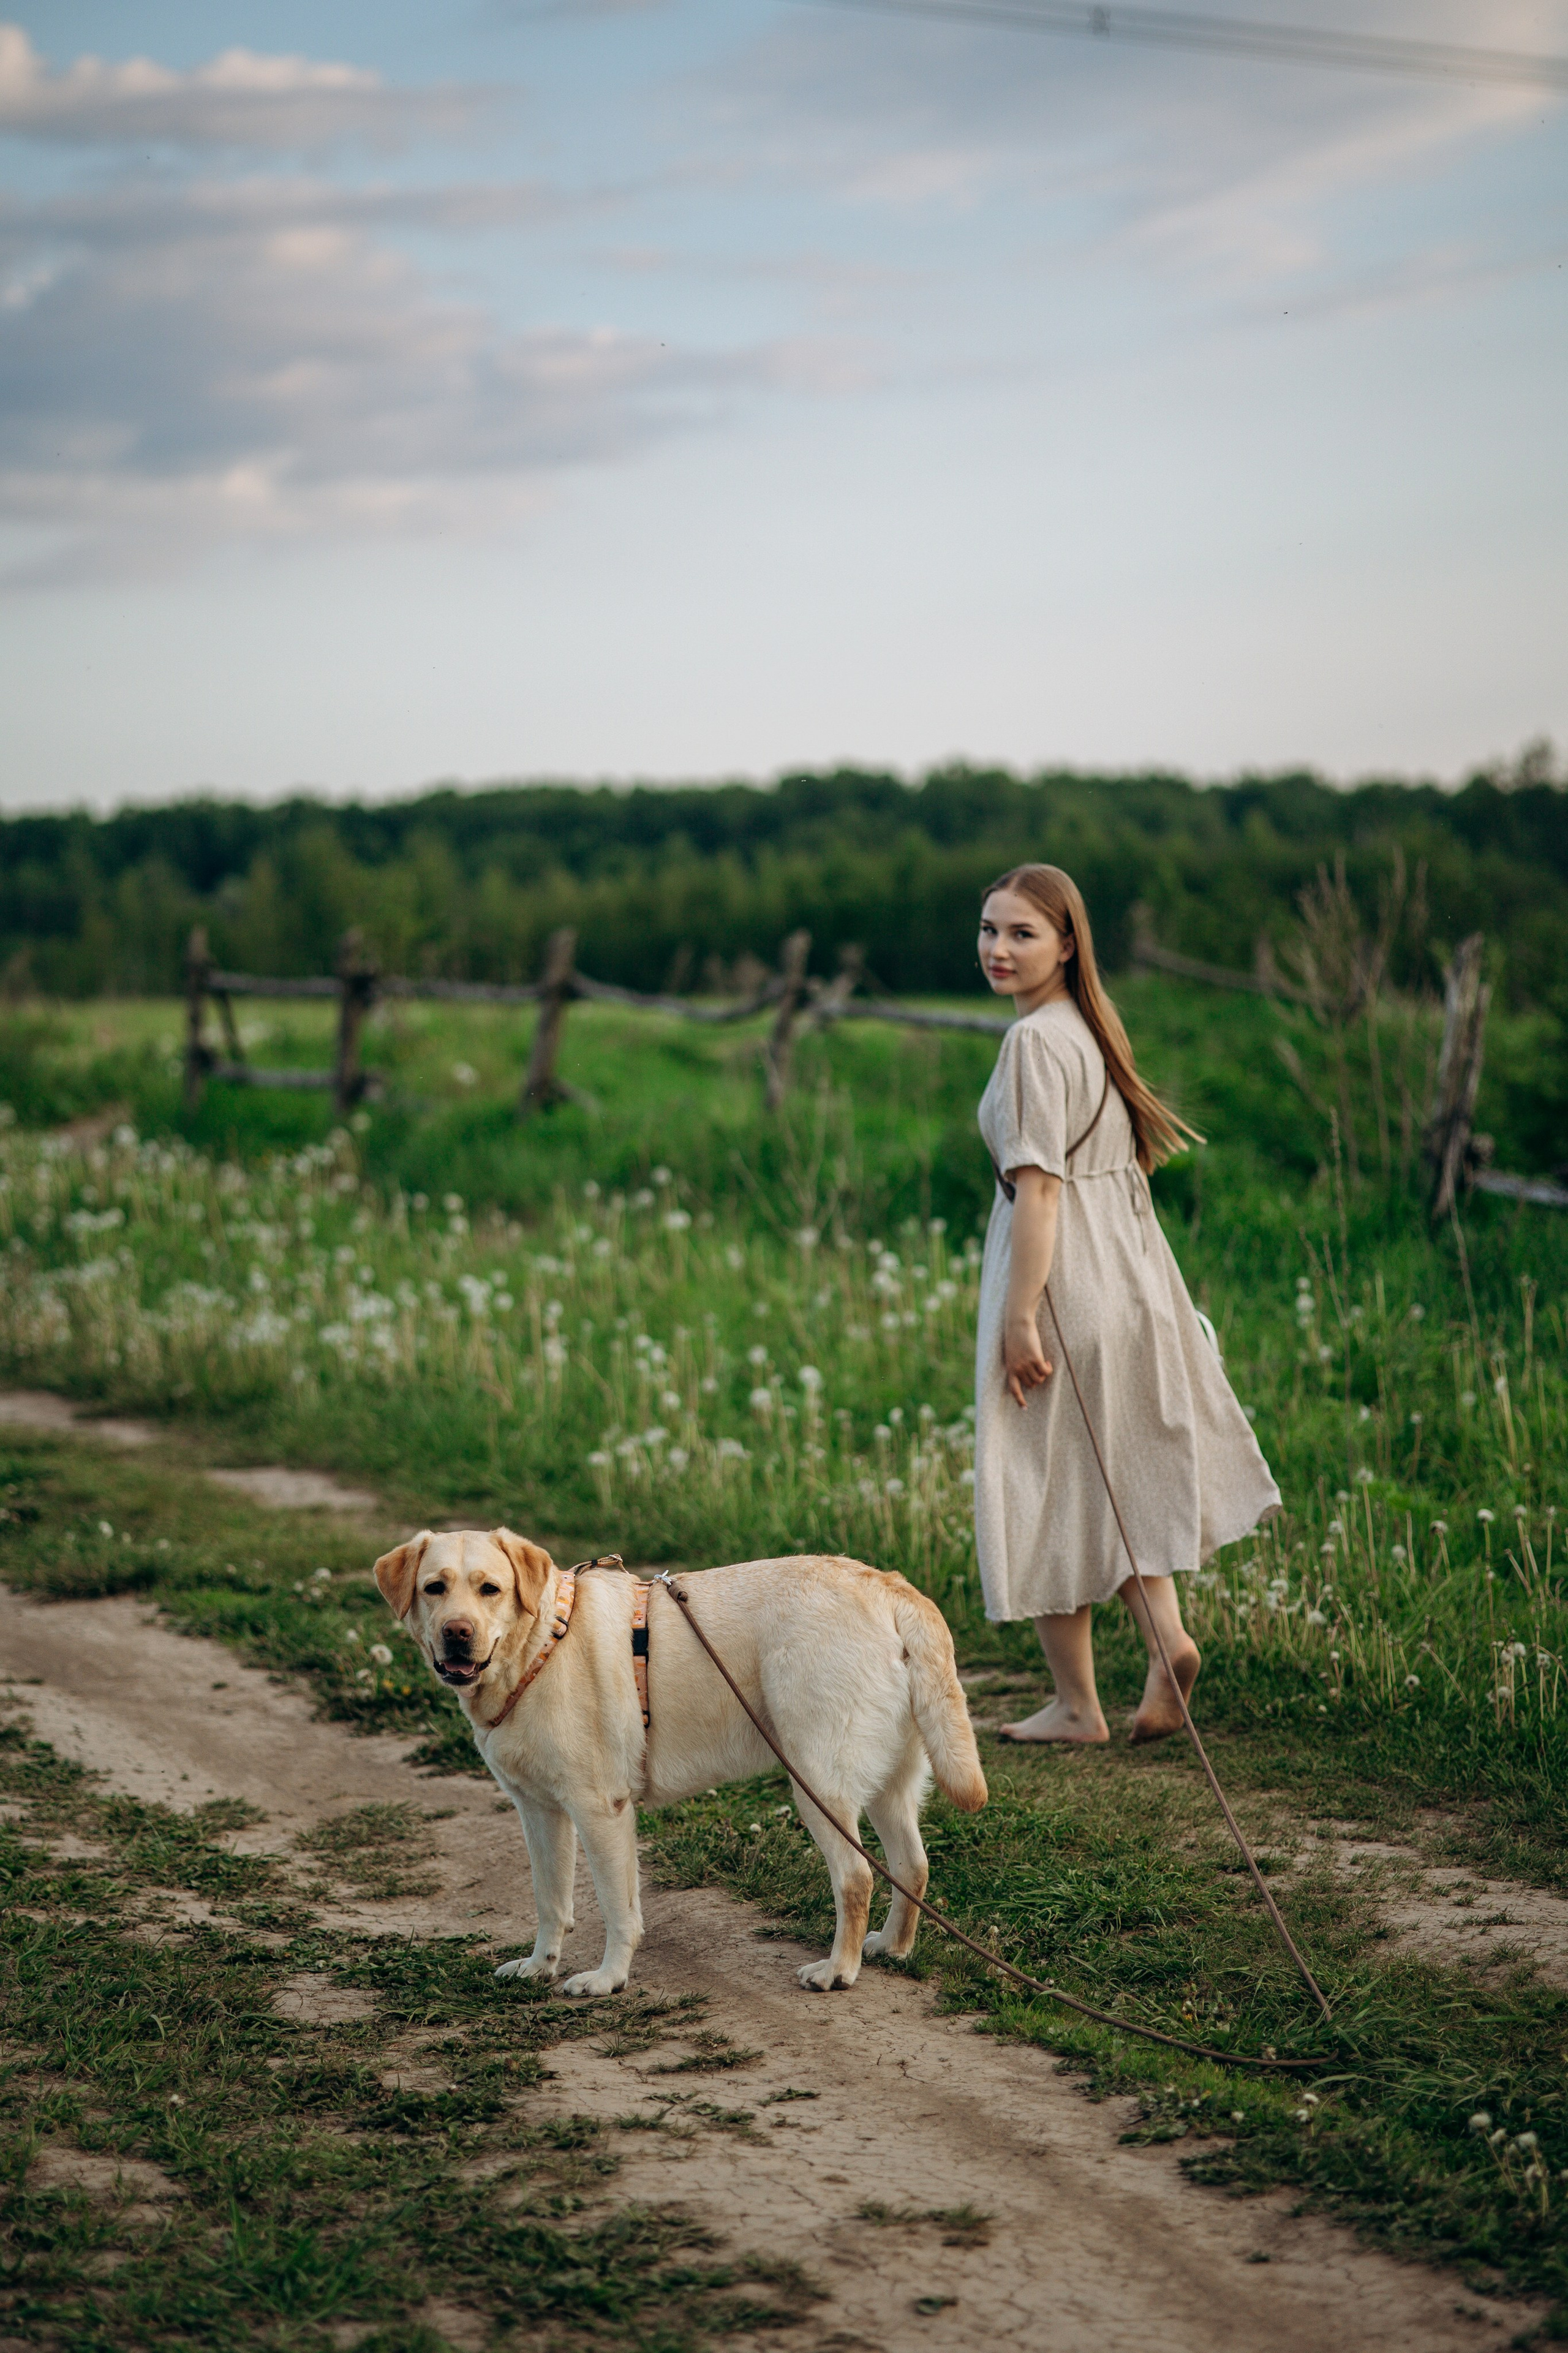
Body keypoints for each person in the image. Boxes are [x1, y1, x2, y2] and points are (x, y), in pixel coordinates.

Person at [972, 864, 1280, 1743]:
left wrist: (1022, 1314)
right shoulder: (1087, 1027)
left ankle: (1076, 1704)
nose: (999, 948)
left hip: (1063, 1279)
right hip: (1129, 1274)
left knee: (1040, 1478)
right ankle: (1167, 1640)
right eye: (990, 930)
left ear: (1067, 944)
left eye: (1022, 933)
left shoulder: (1034, 1043)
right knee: (1113, 1473)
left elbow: (1037, 1190)